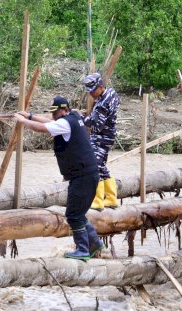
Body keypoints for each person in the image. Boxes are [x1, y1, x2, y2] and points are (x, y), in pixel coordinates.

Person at [14, 96, 104, 261]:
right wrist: (30, 115)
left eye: (55, 112)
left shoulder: (64, 123)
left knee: (73, 215)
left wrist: (23, 121)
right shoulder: (74, 117)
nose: (53, 115)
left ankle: (83, 249)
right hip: (87, 175)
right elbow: (48, 120)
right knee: (79, 213)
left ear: (63, 110)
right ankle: (94, 244)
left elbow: (42, 128)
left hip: (82, 176)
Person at [83, 72, 120, 211]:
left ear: (100, 86)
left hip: (101, 137)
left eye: (93, 90)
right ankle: (111, 198)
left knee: (94, 167)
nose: (91, 94)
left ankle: (97, 201)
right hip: (109, 136)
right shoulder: (112, 93)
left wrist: (83, 120)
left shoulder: (101, 105)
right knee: (101, 166)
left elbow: (97, 126)